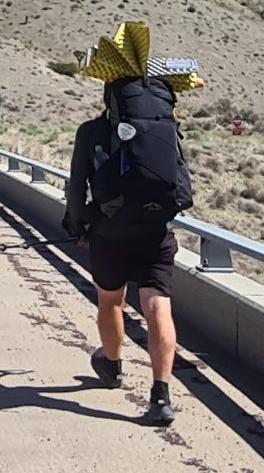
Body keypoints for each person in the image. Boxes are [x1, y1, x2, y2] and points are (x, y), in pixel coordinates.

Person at [60, 22, 200, 426]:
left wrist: (78, 227)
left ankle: (112, 365)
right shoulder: (166, 128)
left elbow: (76, 187)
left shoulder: (91, 131)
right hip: (157, 232)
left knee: (111, 301)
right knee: (157, 306)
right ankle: (161, 396)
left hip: (110, 235)